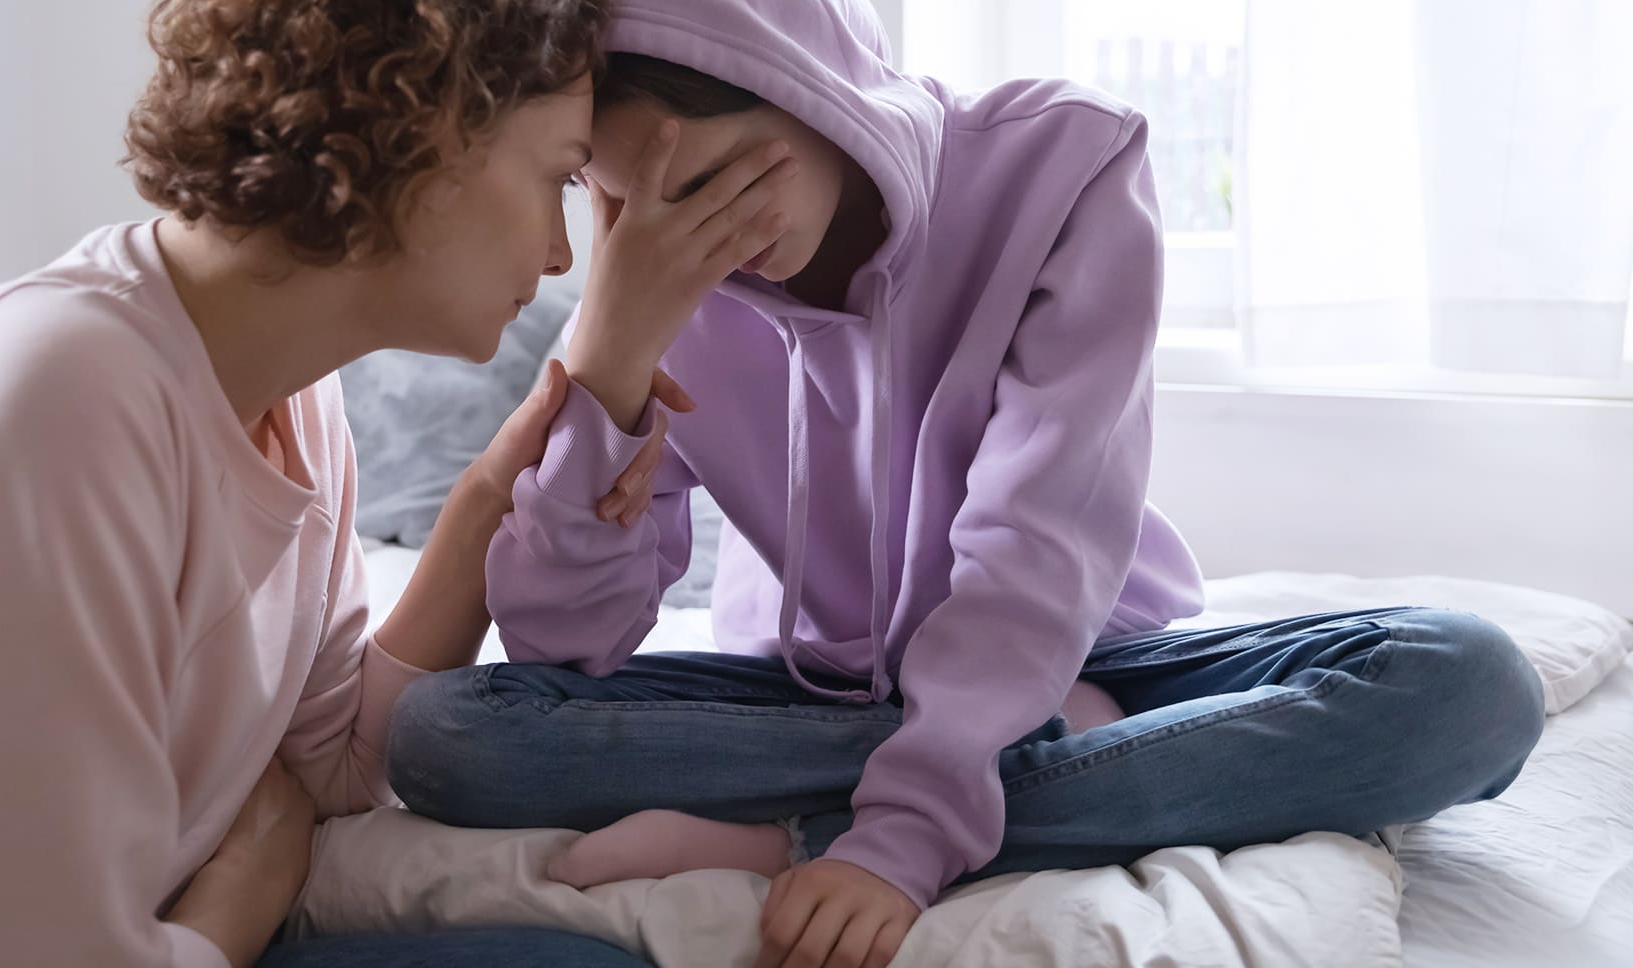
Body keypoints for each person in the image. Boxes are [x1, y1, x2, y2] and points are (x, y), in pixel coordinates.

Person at [386, 1, 1548, 966]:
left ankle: (796, 822)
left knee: (1469, 682)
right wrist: (606, 372)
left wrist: (898, 833)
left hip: (1084, 654)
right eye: (624, 204)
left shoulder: (1063, 168)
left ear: (800, 84)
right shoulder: (658, 279)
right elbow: (561, 646)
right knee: (444, 734)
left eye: (709, 184)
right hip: (813, 689)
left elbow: (1032, 541)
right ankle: (1023, 772)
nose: (690, 239)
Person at [0, 1, 777, 965]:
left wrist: (489, 492)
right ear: (426, 134)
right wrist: (249, 880)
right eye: (558, 179)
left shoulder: (295, 403)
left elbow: (332, 761)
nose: (559, 255)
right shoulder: (59, 398)